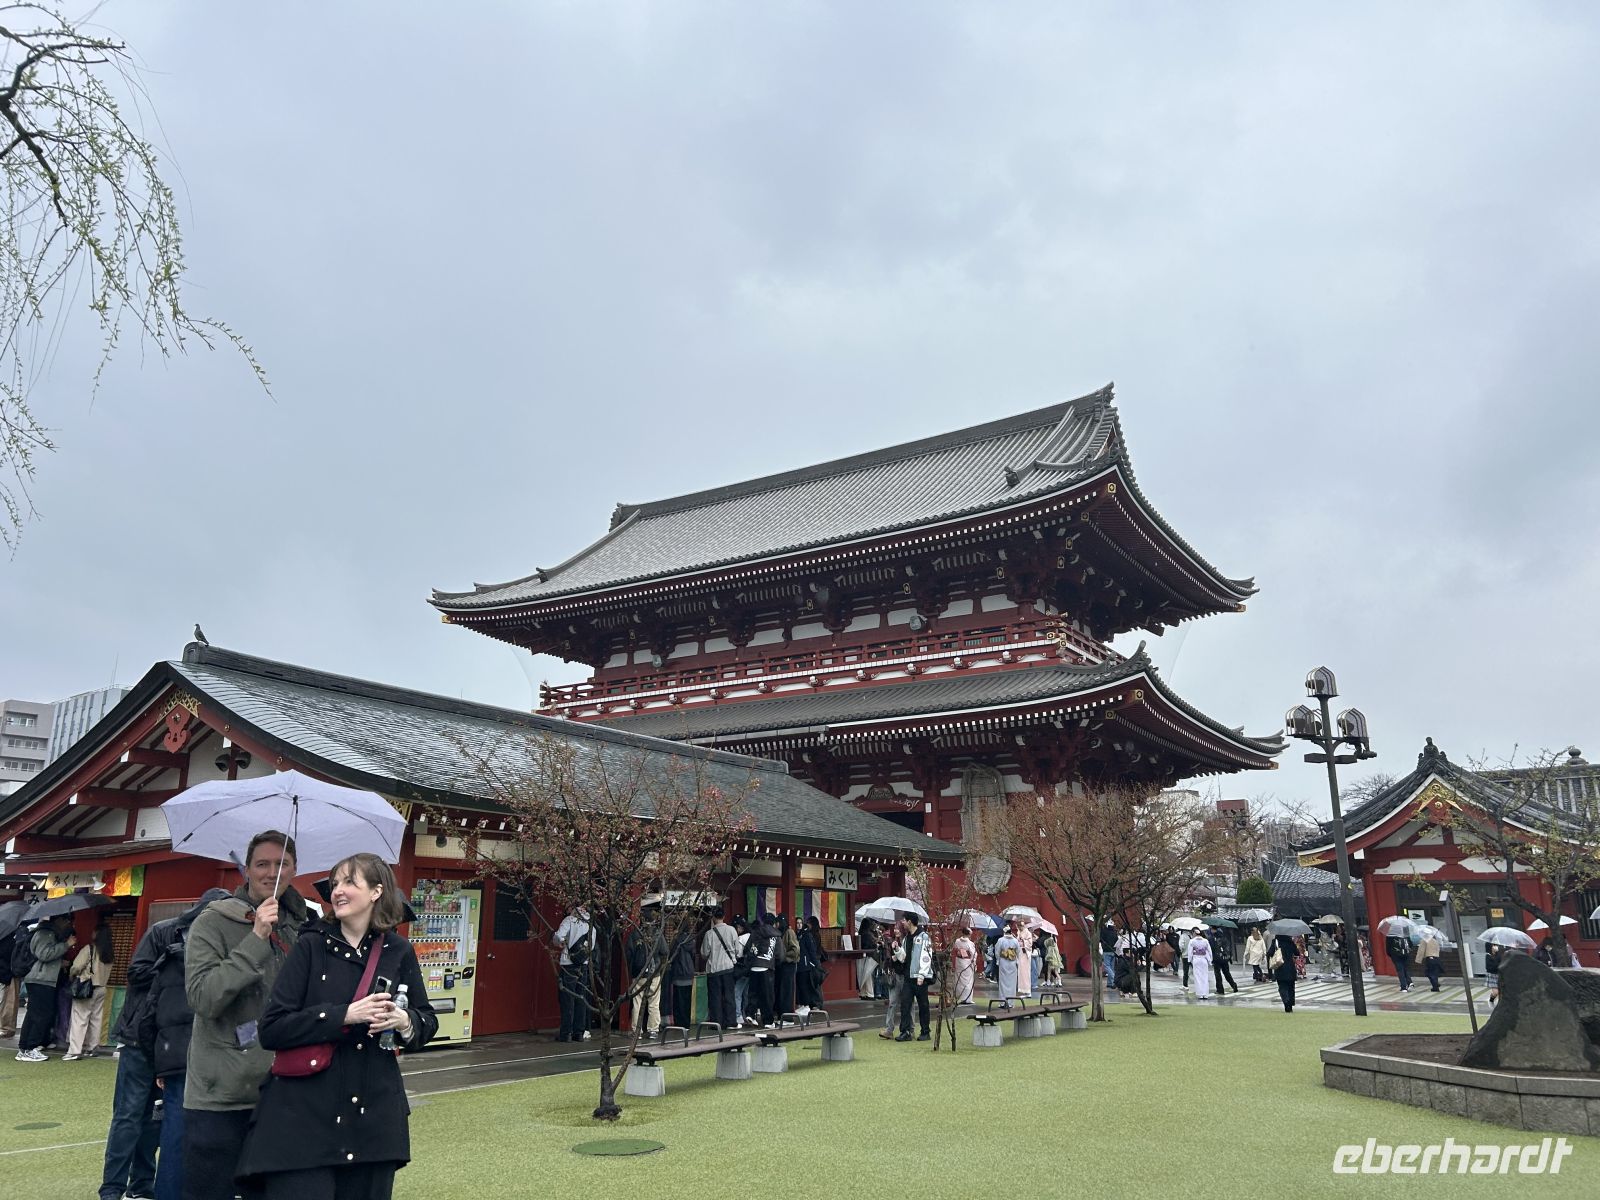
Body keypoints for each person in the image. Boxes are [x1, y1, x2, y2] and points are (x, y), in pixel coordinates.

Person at [235, 853, 436, 1200]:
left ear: (376, 892)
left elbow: (426, 1020)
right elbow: (272, 1028)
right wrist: (344, 1014)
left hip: (373, 1117)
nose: (338, 891)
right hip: (303, 1117)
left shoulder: (399, 950)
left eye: (349, 882)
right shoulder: (310, 945)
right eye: (336, 883)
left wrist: (404, 1021)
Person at [183, 830, 310, 1200]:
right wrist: (256, 938)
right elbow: (204, 998)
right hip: (222, 1093)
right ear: (247, 870)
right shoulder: (212, 922)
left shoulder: (302, 926)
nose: (273, 872)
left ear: (294, 869)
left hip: (283, 1089)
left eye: (282, 863)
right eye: (263, 864)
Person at [146, 888, 234, 1200]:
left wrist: (159, 1060)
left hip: (173, 1052)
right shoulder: (224, 957)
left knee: (174, 1134)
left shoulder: (170, 954)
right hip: (209, 1054)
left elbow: (152, 1009)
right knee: (211, 1134)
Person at [17, 913, 74, 1061]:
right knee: (42, 1014)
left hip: (38, 978)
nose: (68, 924)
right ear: (60, 920)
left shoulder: (43, 932)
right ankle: (30, 1047)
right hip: (41, 979)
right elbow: (44, 954)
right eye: (67, 921)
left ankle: (24, 1048)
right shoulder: (46, 933)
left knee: (33, 1014)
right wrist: (66, 945)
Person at [66, 918, 116, 1060]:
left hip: (87, 986)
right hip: (102, 987)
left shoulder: (90, 949)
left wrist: (72, 975)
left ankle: (75, 1050)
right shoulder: (109, 952)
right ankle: (93, 1047)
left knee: (80, 1018)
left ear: (97, 934)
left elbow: (76, 966)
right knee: (96, 1018)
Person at [625, 908, 668, 1039]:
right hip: (654, 972)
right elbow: (665, 951)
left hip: (638, 973)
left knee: (637, 1002)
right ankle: (653, 1030)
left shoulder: (635, 934)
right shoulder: (657, 934)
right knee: (654, 1002)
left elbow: (628, 953)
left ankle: (636, 1030)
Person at [553, 904, 591, 1043]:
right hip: (583, 964)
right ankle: (579, 1033)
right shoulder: (591, 923)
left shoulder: (569, 920)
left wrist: (560, 943)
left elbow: (558, 938)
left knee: (567, 999)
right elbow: (591, 946)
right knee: (581, 998)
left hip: (568, 964)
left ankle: (566, 1033)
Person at [895, 914, 932, 1042]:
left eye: (904, 921)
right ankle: (905, 1032)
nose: (903, 923)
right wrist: (897, 949)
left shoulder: (924, 937)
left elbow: (926, 956)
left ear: (910, 922)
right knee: (905, 1005)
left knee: (923, 1006)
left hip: (920, 978)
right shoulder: (906, 939)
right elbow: (903, 957)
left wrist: (922, 974)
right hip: (908, 977)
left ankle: (925, 1031)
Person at [700, 909, 740, 1030]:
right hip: (728, 967)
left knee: (715, 997)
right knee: (729, 995)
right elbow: (737, 950)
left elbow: (704, 953)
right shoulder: (732, 930)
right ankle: (731, 1022)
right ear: (724, 916)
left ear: (713, 917)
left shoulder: (709, 934)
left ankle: (716, 1023)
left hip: (714, 969)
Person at [877, 922, 904, 1039]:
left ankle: (909, 1028)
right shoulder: (891, 941)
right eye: (896, 928)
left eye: (898, 928)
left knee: (908, 1003)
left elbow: (905, 958)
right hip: (894, 974)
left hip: (904, 975)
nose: (896, 930)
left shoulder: (907, 941)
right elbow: (888, 958)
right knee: (892, 1003)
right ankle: (889, 1029)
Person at [667, 925, 697, 1028]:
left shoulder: (676, 941)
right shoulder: (691, 941)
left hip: (677, 973)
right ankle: (686, 1023)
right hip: (688, 973)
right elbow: (693, 954)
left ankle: (679, 1022)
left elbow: (670, 955)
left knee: (678, 1000)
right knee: (687, 1000)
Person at [796, 915, 827, 1013]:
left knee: (815, 984)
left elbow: (812, 950)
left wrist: (814, 963)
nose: (806, 925)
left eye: (808, 923)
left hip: (813, 961)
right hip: (812, 960)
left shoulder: (813, 935)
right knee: (811, 984)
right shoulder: (808, 934)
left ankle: (818, 1004)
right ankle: (813, 1003)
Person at [775, 913, 800, 1017]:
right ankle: (781, 1013)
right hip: (781, 965)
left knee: (787, 991)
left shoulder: (789, 932)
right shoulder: (779, 933)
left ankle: (788, 1016)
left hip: (789, 965)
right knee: (780, 990)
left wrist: (783, 956)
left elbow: (795, 950)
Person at [994, 921, 1021, 1008]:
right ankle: (1011, 1003)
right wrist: (1017, 960)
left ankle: (1003, 1002)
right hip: (1012, 962)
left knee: (1003, 982)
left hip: (1003, 961)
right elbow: (1018, 952)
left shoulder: (1001, 940)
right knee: (1012, 983)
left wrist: (998, 960)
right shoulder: (1015, 941)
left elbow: (997, 952)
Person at [1271, 934, 1298, 1012]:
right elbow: (1297, 953)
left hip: (1280, 967)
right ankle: (1290, 1003)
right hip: (1290, 967)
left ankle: (1286, 1002)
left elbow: (1270, 952)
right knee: (1291, 987)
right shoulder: (1290, 942)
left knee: (1282, 987)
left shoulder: (1276, 942)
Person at [950, 926, 977, 1005]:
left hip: (959, 961)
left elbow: (955, 948)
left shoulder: (957, 941)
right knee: (968, 980)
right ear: (969, 934)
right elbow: (973, 954)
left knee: (959, 979)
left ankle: (959, 997)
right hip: (967, 961)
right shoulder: (970, 943)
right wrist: (974, 963)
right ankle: (967, 998)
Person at [1187, 930, 1213, 1000]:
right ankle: (1205, 994)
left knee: (1198, 977)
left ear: (1195, 934)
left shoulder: (1192, 941)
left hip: (1196, 959)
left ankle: (1200, 994)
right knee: (1205, 976)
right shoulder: (1205, 941)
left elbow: (1190, 951)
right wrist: (1210, 960)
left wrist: (1189, 960)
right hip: (1204, 959)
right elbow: (1209, 951)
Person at [857, 919, 879, 999]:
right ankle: (870, 994)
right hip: (869, 956)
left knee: (862, 975)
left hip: (861, 956)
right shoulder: (868, 934)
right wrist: (876, 944)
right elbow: (872, 945)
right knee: (868, 975)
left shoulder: (860, 933)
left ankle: (862, 993)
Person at [1212, 930, 1239, 995]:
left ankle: (1220, 989)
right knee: (1227, 973)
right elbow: (1229, 948)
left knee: (1218, 974)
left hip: (1217, 959)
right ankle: (1233, 985)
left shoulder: (1214, 940)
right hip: (1225, 959)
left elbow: (1212, 949)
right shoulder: (1225, 939)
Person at [1016, 921, 1035, 998]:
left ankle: (1028, 991)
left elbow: (1030, 943)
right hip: (1020, 953)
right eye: (1018, 926)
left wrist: (1023, 940)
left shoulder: (1027, 932)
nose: (1019, 927)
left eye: (1020, 926)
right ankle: (1023, 990)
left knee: (1026, 972)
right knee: (1021, 973)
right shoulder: (1019, 932)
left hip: (1025, 953)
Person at [1099, 921, 1117, 988]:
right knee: (1111, 967)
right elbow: (1116, 941)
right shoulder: (1115, 933)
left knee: (1107, 966)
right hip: (1113, 951)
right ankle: (1110, 983)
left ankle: (1114, 978)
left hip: (1106, 951)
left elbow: (1100, 939)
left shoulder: (1104, 932)